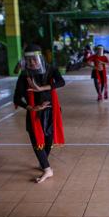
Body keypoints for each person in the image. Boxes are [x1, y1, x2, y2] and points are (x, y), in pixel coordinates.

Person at [13, 44, 65, 183]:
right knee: (37, 141)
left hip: (51, 111)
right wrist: (30, 107)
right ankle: (47, 169)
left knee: (47, 143)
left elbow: (61, 82)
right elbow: (17, 98)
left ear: (40, 57)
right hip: (34, 114)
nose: (32, 62)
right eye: (28, 60)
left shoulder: (50, 69)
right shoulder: (25, 75)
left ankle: (44, 163)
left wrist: (41, 88)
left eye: (34, 59)